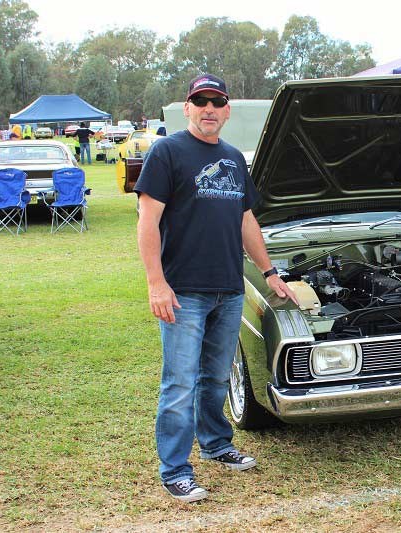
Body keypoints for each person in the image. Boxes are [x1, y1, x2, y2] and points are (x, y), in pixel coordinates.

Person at [134, 74, 297, 503]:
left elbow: (246, 221)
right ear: (187, 107)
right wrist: (156, 283)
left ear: (227, 110)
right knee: (180, 383)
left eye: (217, 101)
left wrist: (269, 272)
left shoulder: (232, 158)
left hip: (229, 288)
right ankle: (174, 469)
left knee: (215, 377)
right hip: (183, 291)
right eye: (200, 100)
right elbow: (147, 221)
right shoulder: (167, 152)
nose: (209, 108)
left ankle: (216, 444)